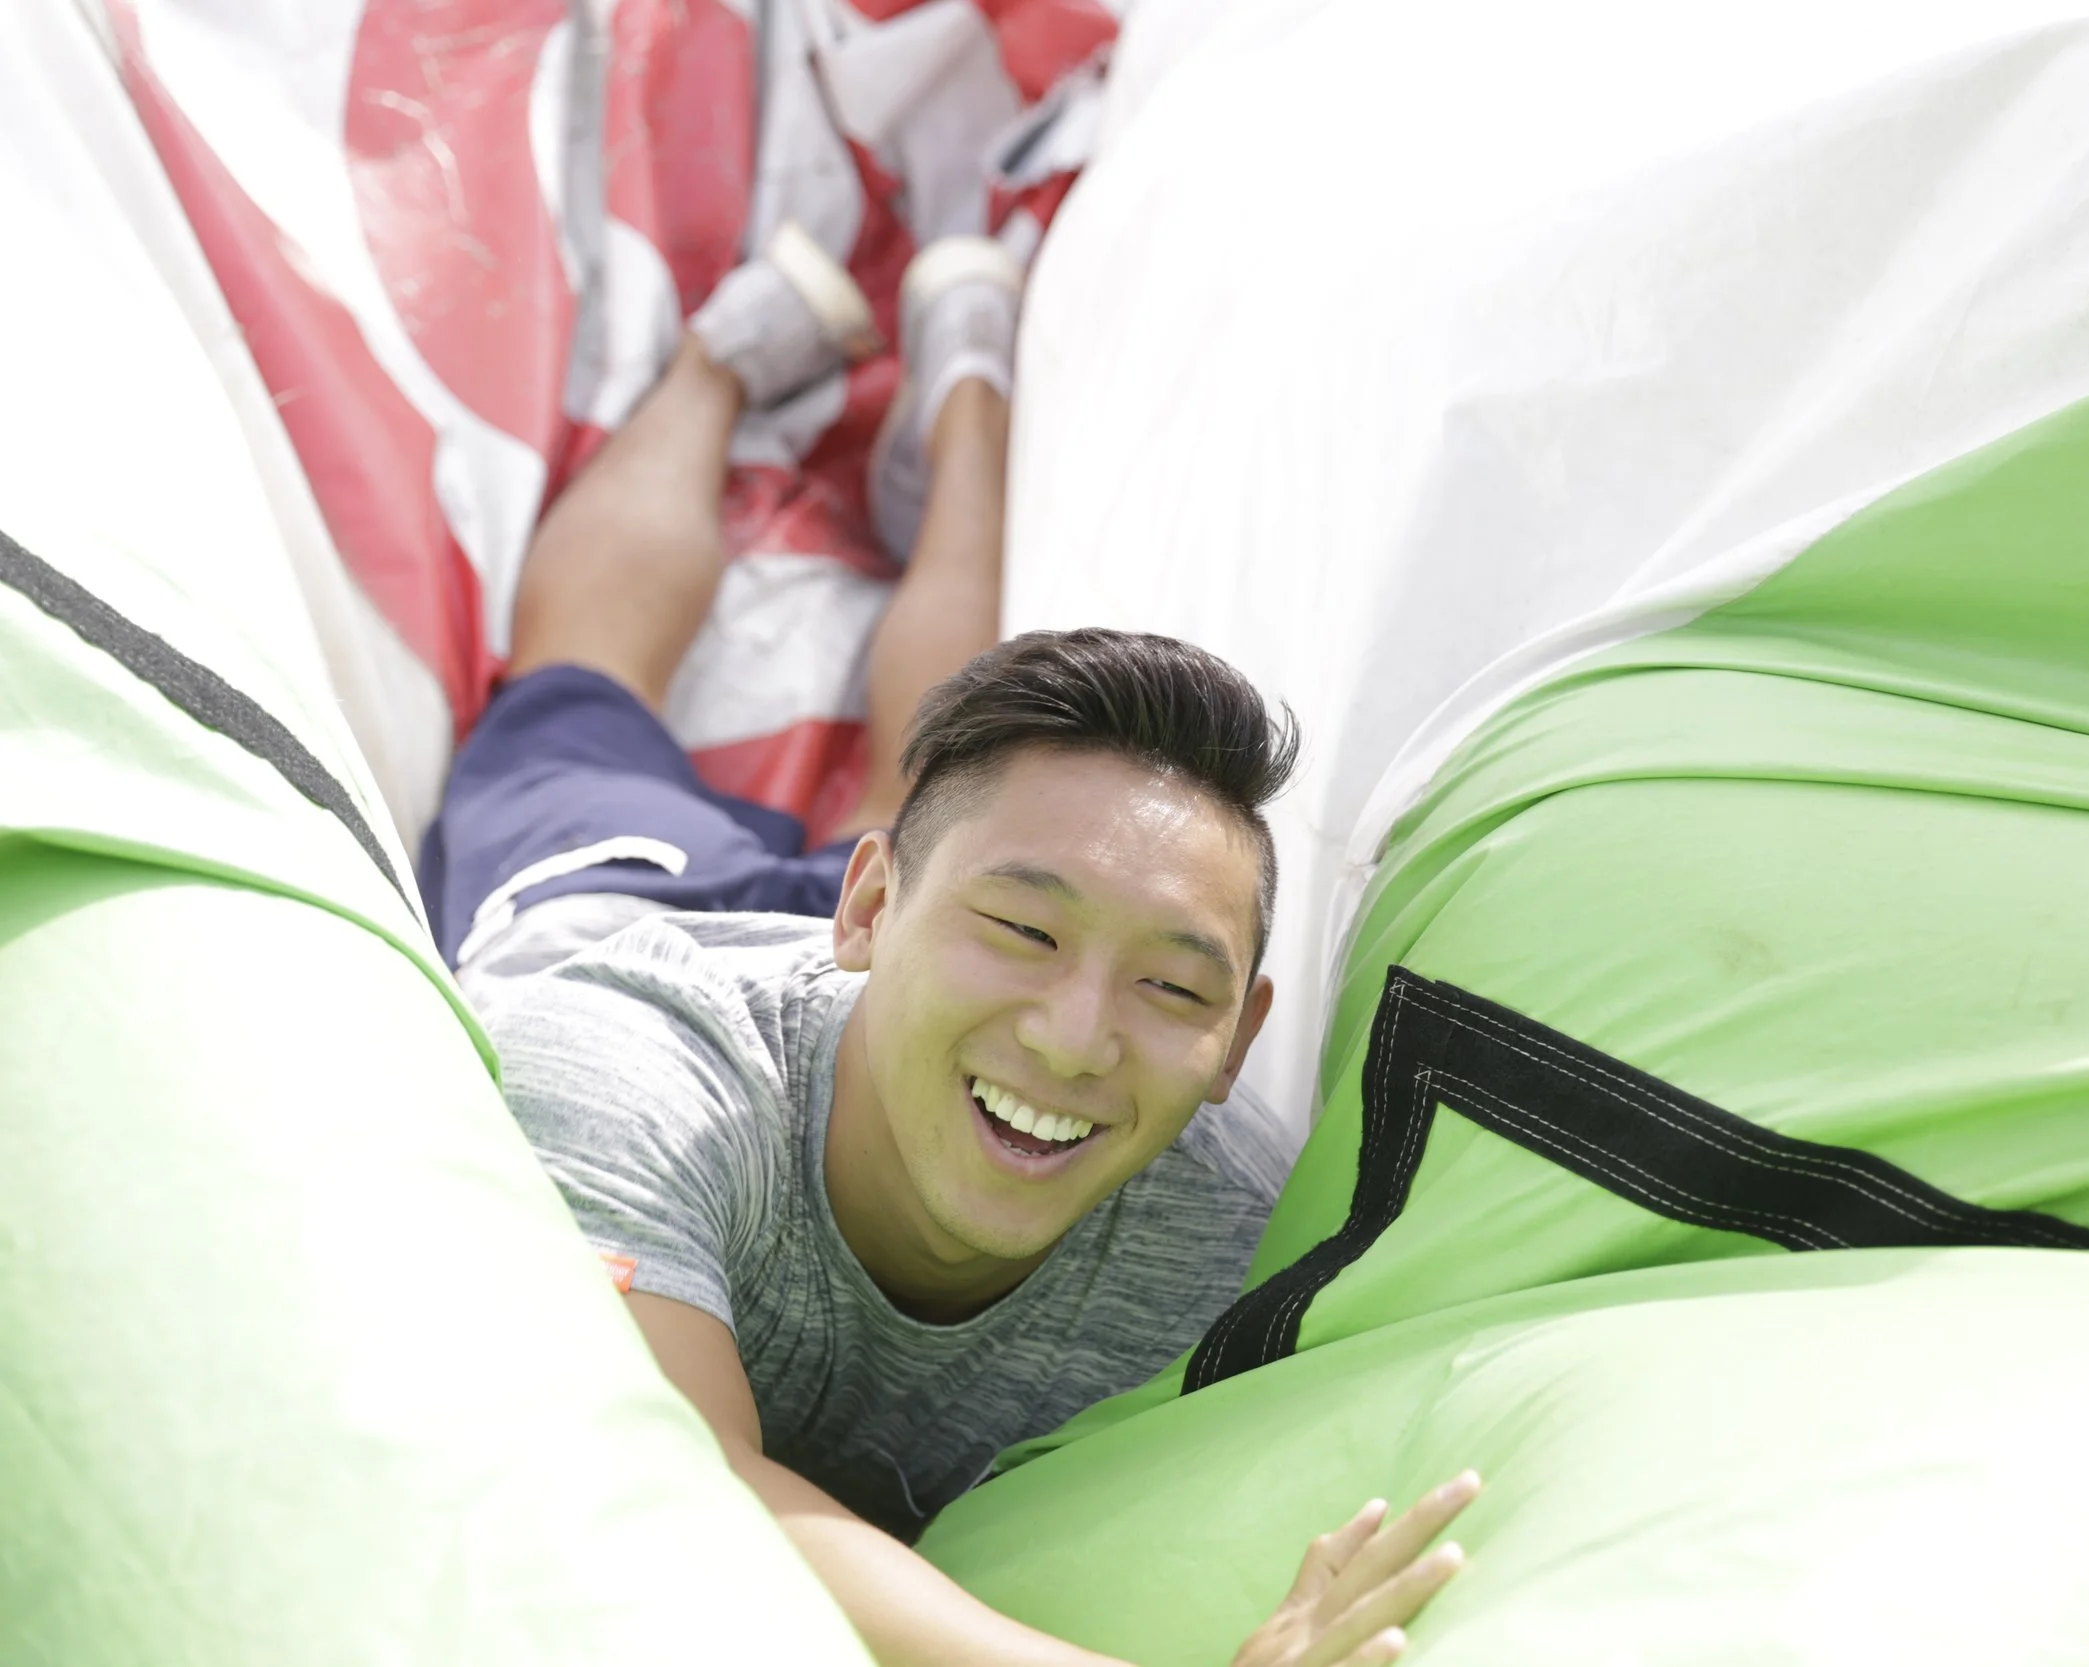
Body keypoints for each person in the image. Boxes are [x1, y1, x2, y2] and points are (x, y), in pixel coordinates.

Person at [416, 227, 1477, 1666]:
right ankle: (725, 359)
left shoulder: (1235, 1240)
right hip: (631, 905)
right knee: (580, 687)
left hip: (899, 965)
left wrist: (1001, 926)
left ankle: (965, 398)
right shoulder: (621, 1074)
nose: (1077, 1033)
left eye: (1175, 985)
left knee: (944, 824)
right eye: (1031, 935)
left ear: (1241, 1039)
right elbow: (686, 1477)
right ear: (860, 915)